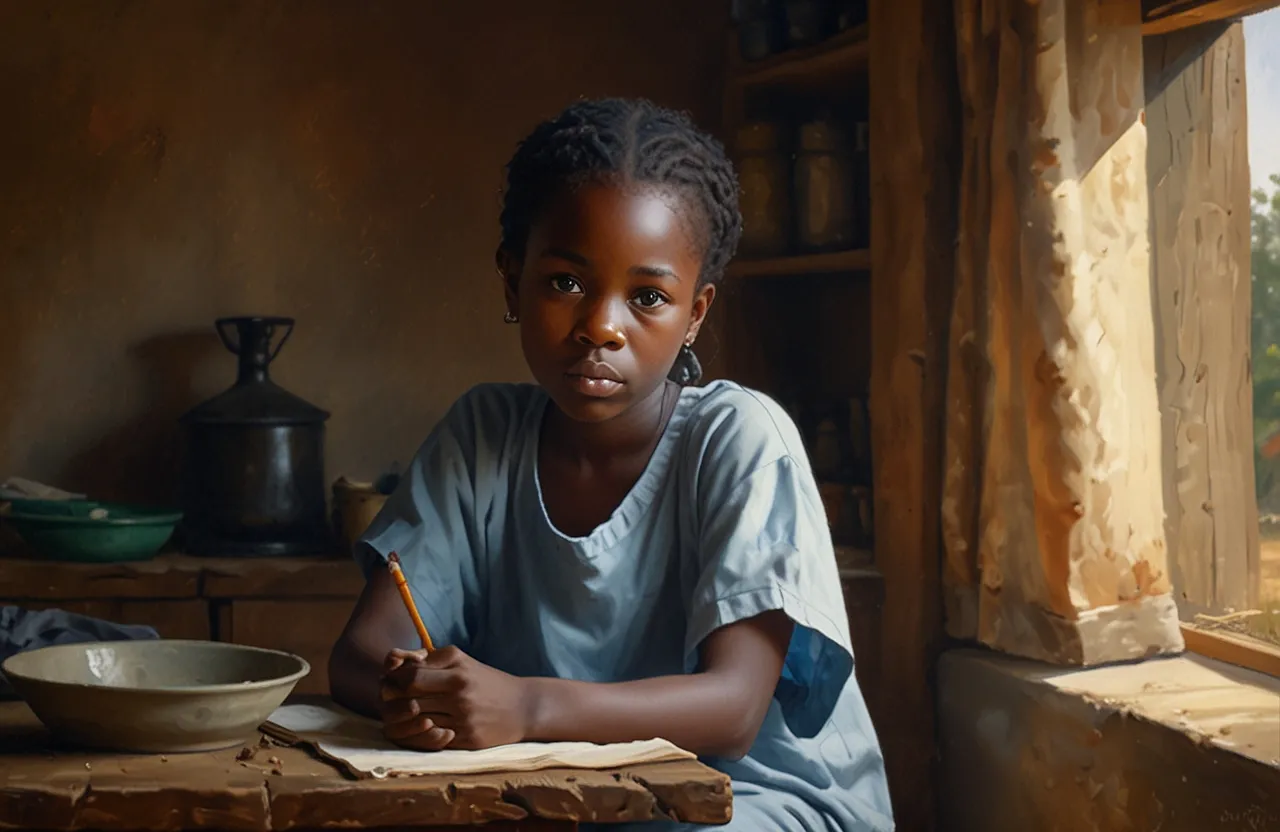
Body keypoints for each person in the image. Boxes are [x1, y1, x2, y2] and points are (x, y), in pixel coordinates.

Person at [328, 97, 894, 832]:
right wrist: (423, 697)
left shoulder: (738, 440)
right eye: (566, 282)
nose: (601, 325)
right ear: (512, 280)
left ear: (695, 314)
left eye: (649, 297)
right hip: (569, 795)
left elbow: (733, 712)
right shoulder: (482, 435)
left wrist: (527, 707)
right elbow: (360, 656)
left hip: (750, 800)